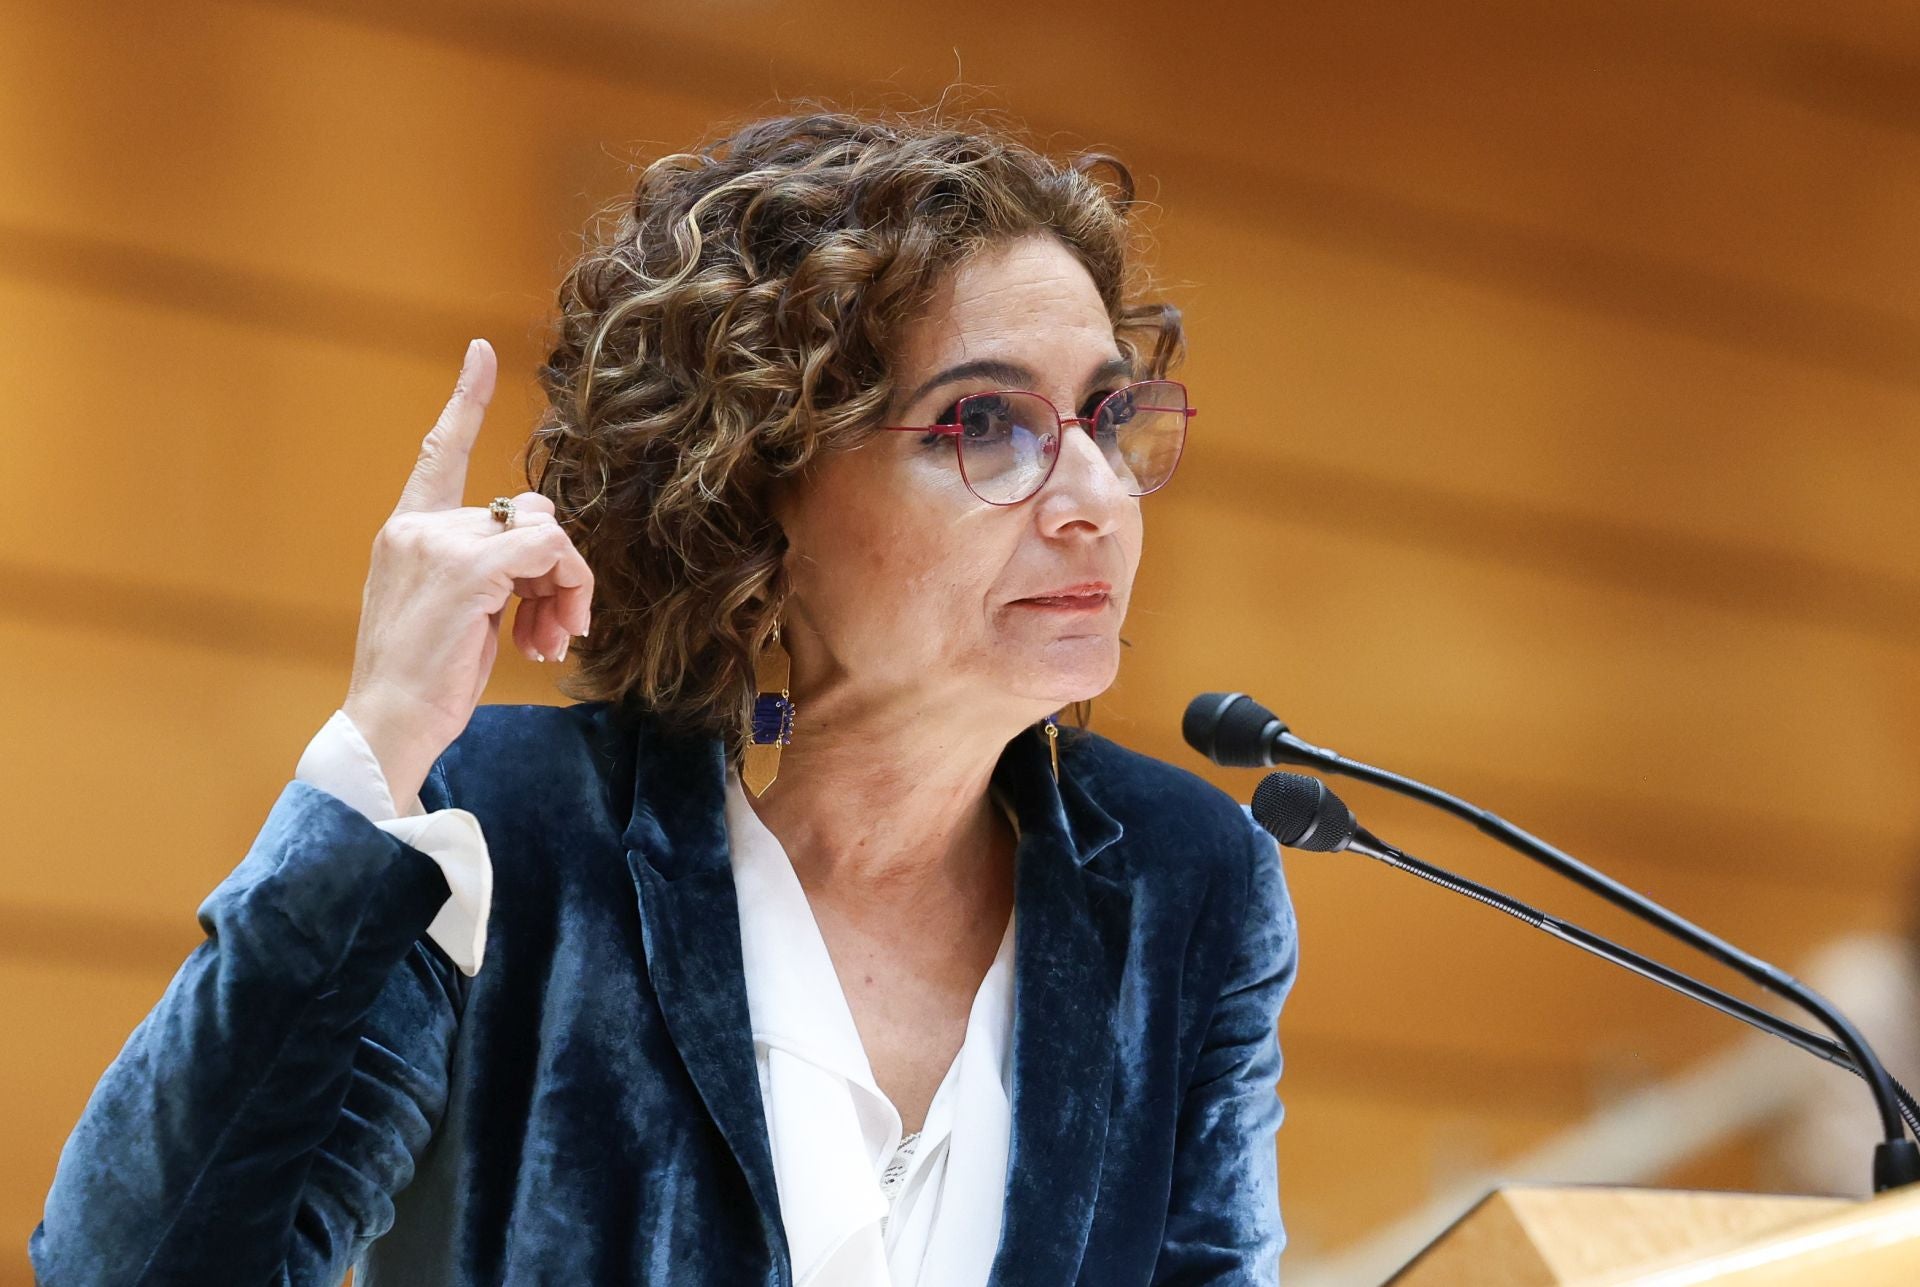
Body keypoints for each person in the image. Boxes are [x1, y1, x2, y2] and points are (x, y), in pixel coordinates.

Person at [30, 104, 1299, 1286]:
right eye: (984, 423)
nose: (1094, 498)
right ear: (758, 478)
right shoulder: (510, 830)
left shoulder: (1184, 883)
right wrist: (378, 747)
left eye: (1105, 417)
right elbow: (133, 1265)